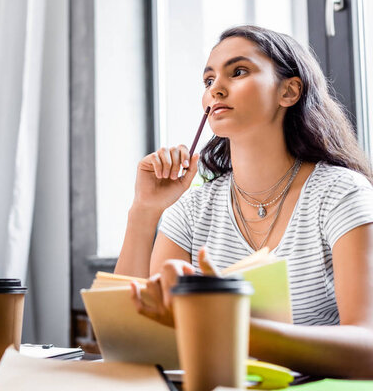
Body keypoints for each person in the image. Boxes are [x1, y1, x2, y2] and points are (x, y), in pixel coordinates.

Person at [115, 25, 373, 378]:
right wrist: (144, 211)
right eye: (208, 81)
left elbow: (367, 346)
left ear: (289, 91)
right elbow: (129, 340)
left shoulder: (341, 193)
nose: (215, 89)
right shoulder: (192, 210)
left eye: (238, 71)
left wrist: (227, 327)